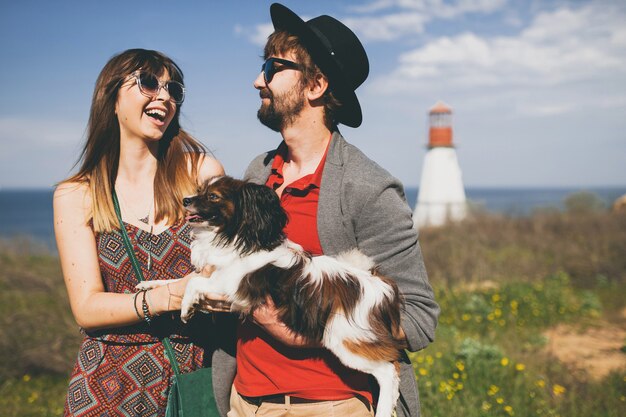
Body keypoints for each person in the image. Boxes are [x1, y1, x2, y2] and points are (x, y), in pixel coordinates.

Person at [221, 4, 440, 417]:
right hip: (243, 401)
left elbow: (420, 317)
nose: (256, 81)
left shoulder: (367, 188)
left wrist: (311, 330)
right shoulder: (257, 172)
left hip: (331, 406)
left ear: (315, 85)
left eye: (272, 67)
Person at [54, 48, 234, 416]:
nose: (165, 97)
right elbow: (87, 307)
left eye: (174, 90)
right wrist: (172, 295)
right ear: (112, 96)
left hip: (192, 376)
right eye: (150, 83)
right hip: (105, 386)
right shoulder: (77, 194)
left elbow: (231, 259)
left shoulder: (199, 172)